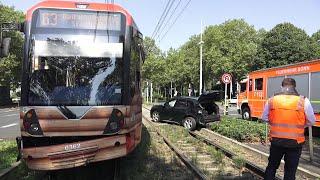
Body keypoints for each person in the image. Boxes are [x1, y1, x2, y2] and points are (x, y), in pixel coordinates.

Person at [262, 78, 316, 180]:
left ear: (281, 87)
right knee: (290, 172)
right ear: (294, 87)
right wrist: (300, 125)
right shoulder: (303, 100)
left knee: (272, 167)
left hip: (276, 141)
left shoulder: (272, 99)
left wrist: (275, 123)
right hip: (295, 143)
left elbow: (264, 117)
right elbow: (311, 121)